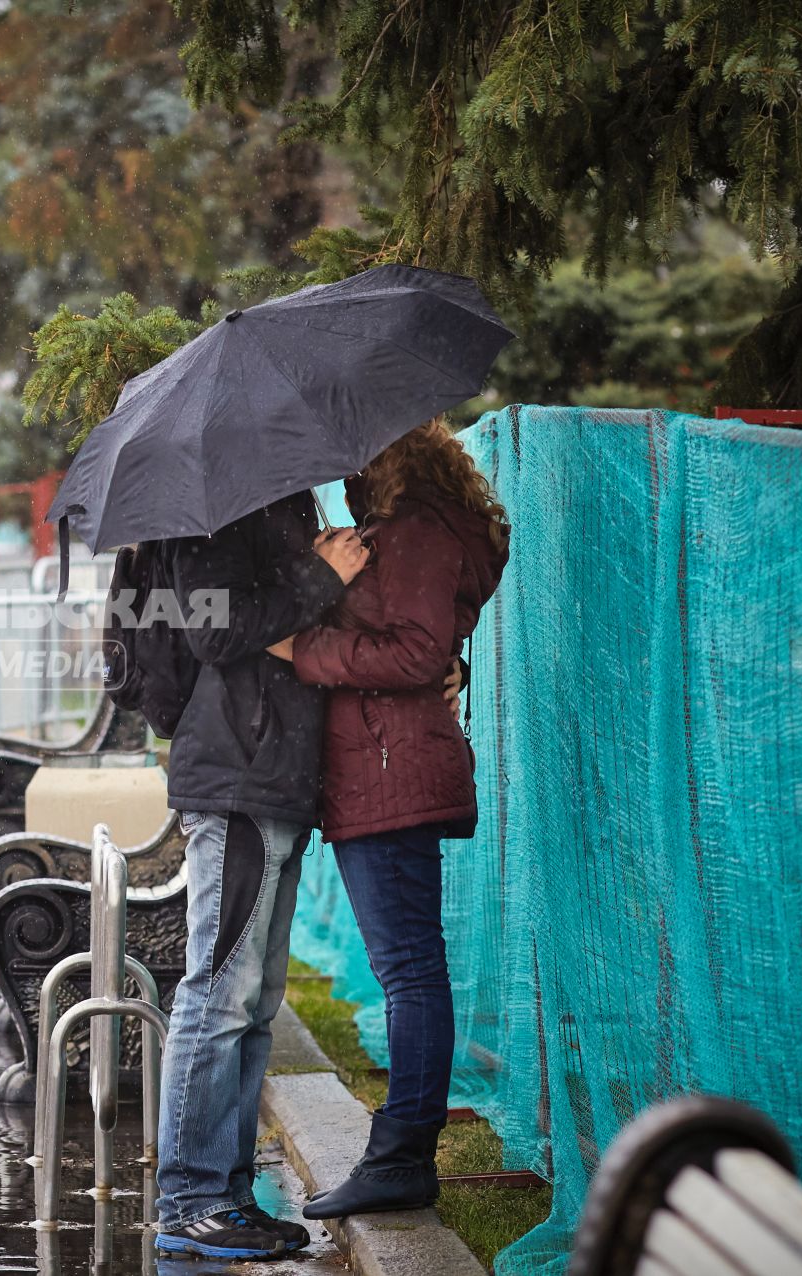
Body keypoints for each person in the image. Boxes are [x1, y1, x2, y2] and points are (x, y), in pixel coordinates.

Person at [267, 417, 509, 1220]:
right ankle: (401, 1149)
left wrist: (305, 648)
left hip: (389, 772)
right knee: (408, 967)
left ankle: (402, 1156)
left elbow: (413, 651)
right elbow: (427, 645)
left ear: (388, 452)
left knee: (410, 970)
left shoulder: (413, 531)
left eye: (353, 454)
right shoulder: (401, 530)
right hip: (382, 769)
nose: (341, 469)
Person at [150, 493, 370, 1261]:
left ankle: (229, 1193)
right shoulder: (211, 506)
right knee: (217, 995)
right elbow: (215, 629)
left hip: (273, 777)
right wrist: (320, 573)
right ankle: (189, 1199)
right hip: (236, 779)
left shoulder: (280, 499)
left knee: (255, 1001)